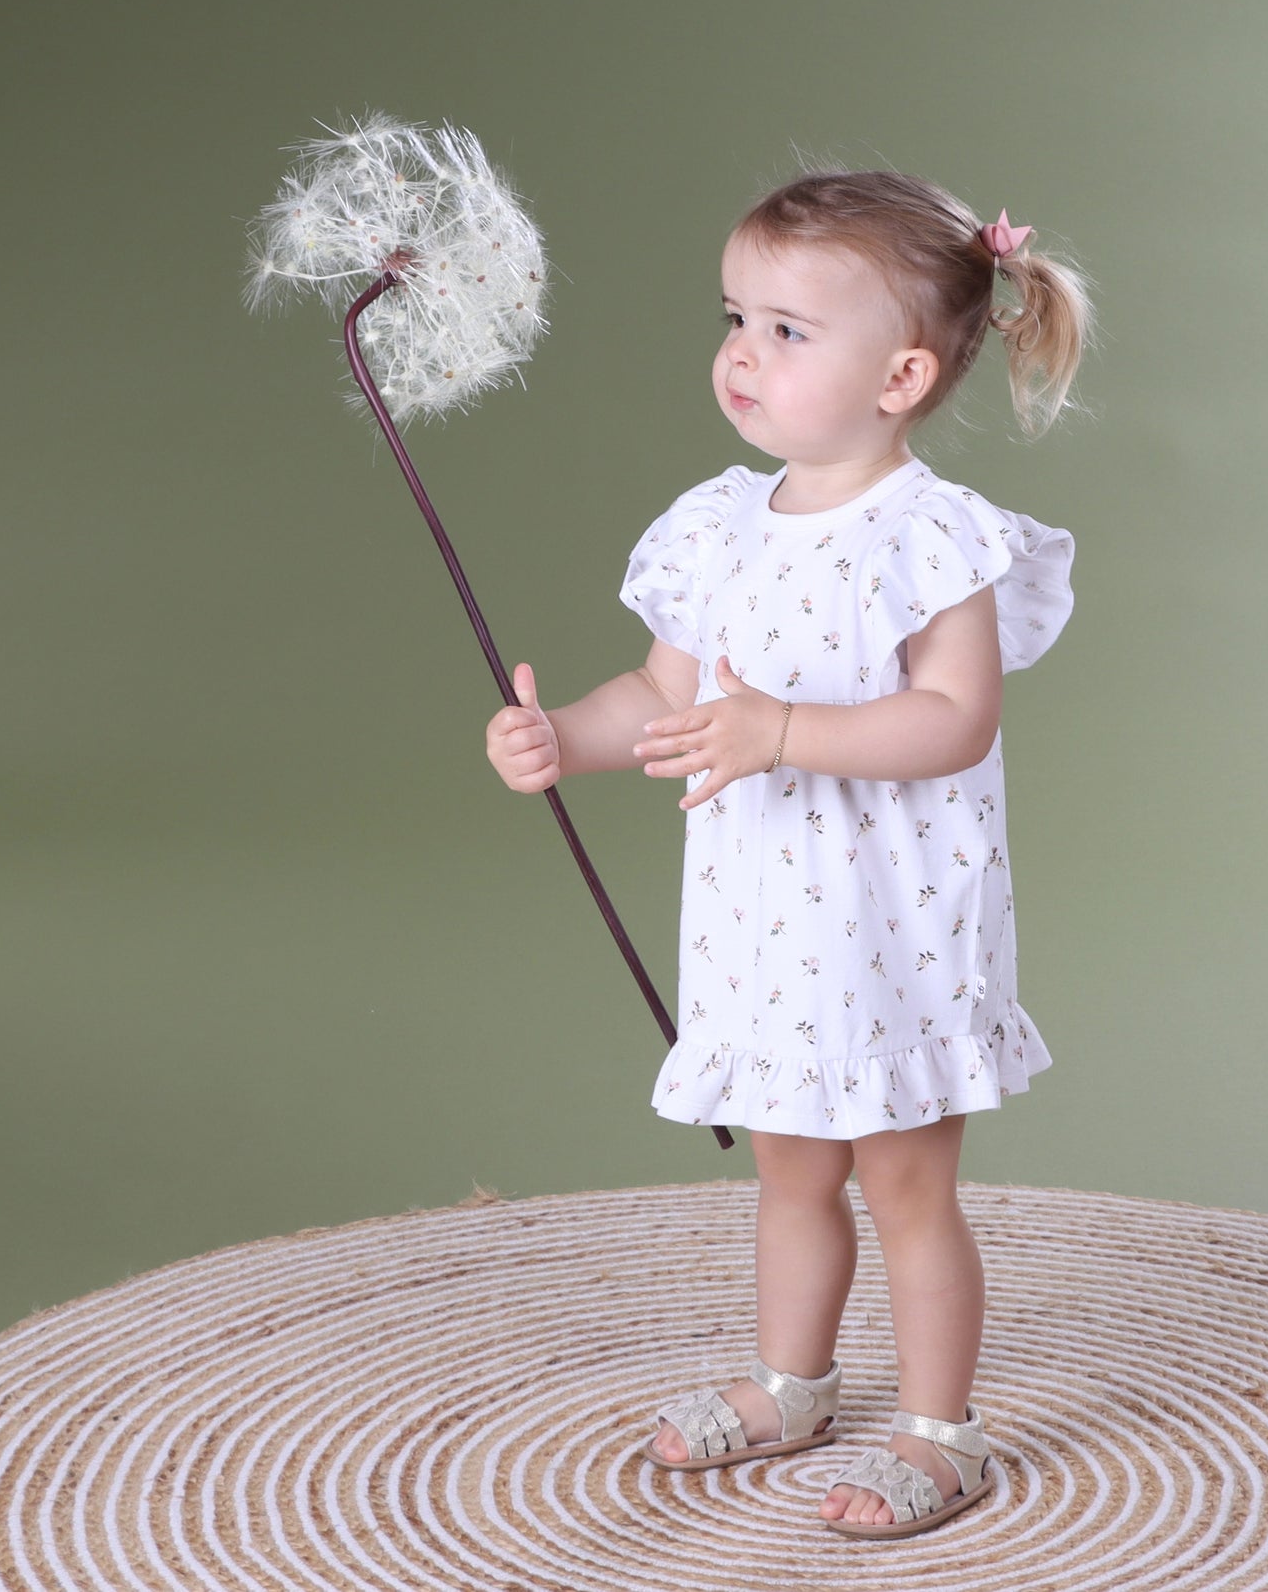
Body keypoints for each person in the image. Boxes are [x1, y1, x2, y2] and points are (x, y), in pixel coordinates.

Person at [486, 169, 1089, 1538]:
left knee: (905, 1184)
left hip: (895, 926)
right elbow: (661, 695)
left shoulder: (934, 537)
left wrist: (784, 731)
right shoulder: (715, 528)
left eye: (787, 330)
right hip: (764, 923)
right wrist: (562, 736)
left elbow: (954, 720)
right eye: (734, 319)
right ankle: (792, 1381)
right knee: (790, 1171)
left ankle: (940, 1429)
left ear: (901, 376)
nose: (742, 354)